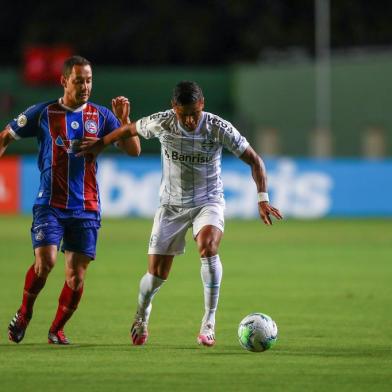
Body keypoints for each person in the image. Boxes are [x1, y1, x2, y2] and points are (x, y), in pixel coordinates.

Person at [77, 81, 282, 347]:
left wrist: (263, 198)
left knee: (208, 247)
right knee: (155, 276)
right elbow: (128, 129)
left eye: (194, 113)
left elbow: (255, 159)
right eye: (183, 113)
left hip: (208, 201)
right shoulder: (163, 122)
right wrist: (100, 144)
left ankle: (209, 321)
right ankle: (142, 313)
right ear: (174, 107)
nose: (188, 119)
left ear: (202, 105)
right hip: (171, 206)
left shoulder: (218, 127)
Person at [0, 55, 140, 344]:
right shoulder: (43, 113)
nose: (85, 86)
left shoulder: (101, 117)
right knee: (46, 262)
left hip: (86, 207)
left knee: (76, 277)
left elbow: (134, 150)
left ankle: (56, 329)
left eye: (89, 80)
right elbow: (5, 137)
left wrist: (124, 121)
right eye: (79, 80)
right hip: (50, 203)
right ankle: (25, 313)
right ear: (64, 81)